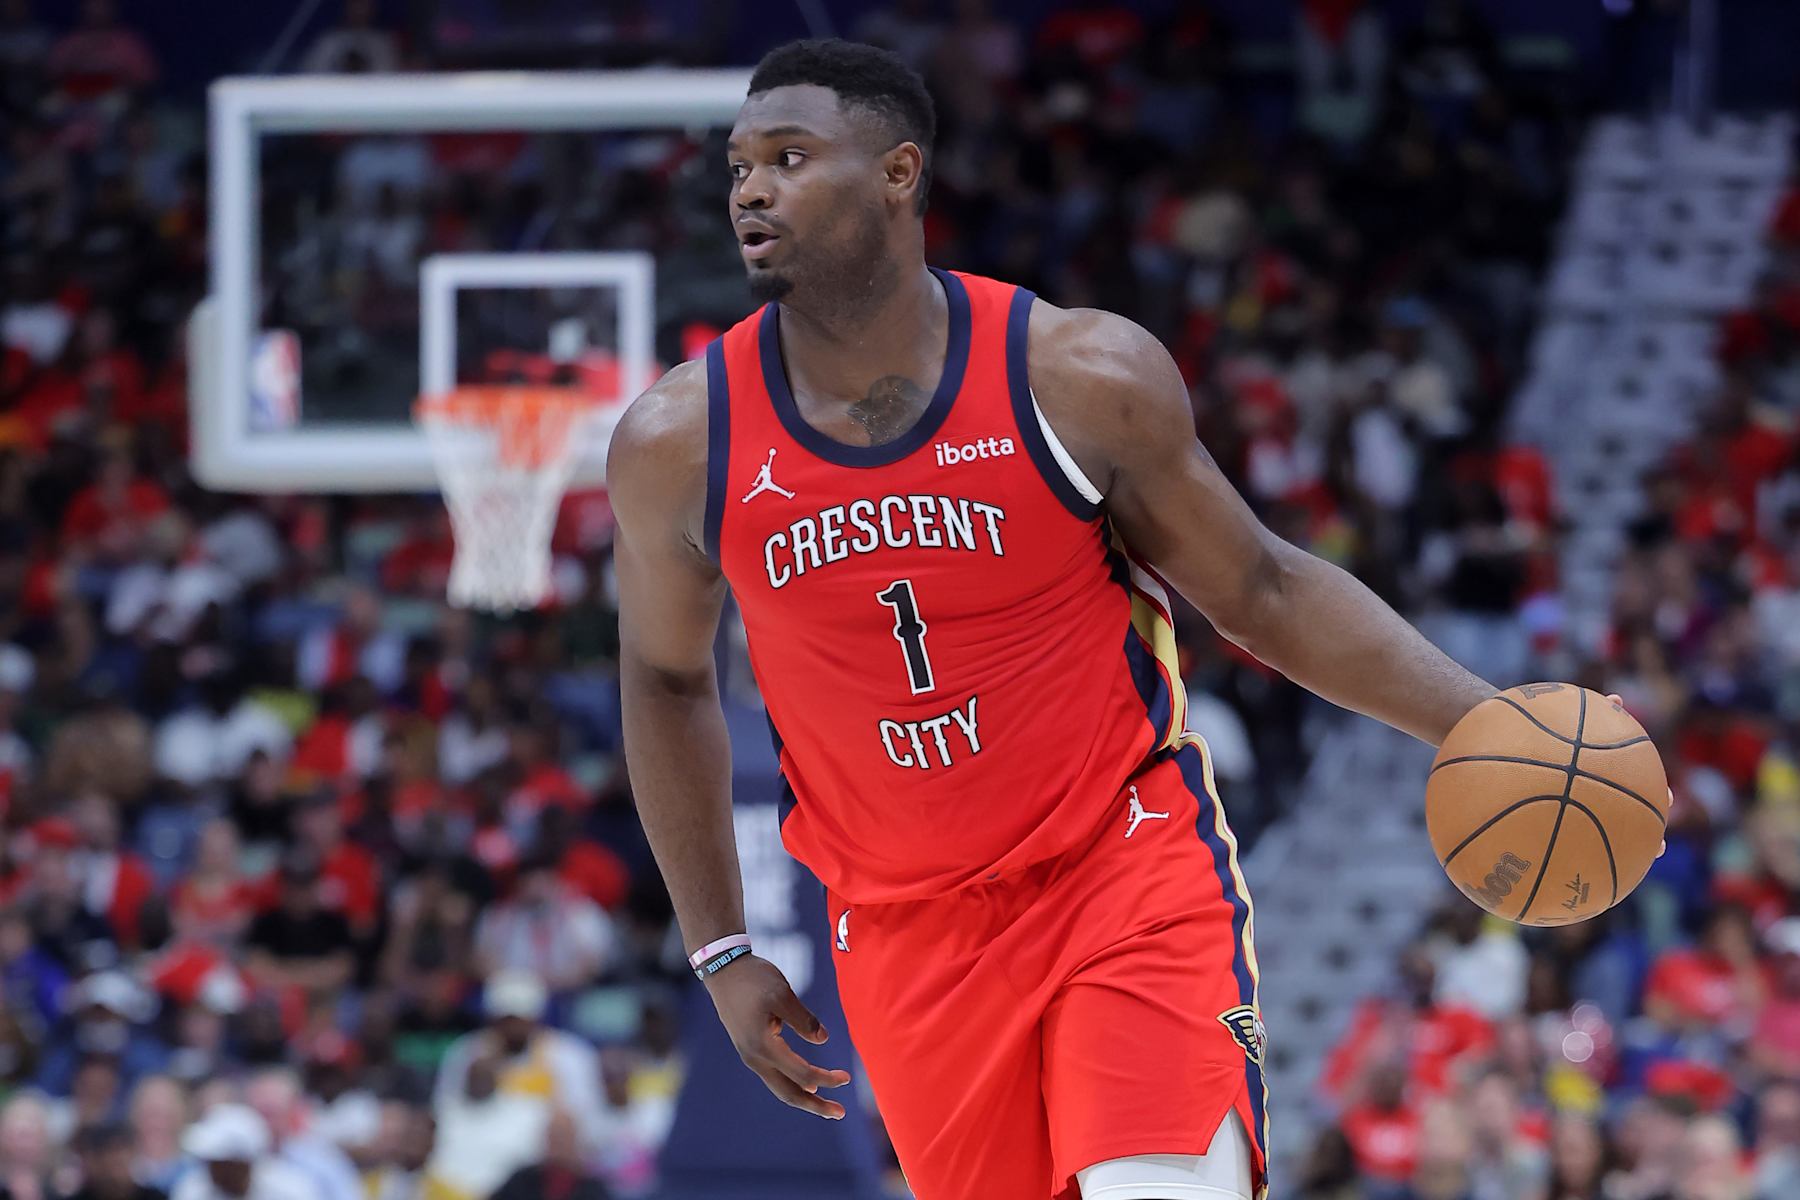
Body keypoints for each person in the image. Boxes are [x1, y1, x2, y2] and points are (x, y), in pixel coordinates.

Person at [611, 37, 1510, 1200]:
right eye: (739, 164)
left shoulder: (1079, 377)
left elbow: (1265, 591)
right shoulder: (680, 442)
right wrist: (722, 946)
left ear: (898, 173)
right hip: (903, 934)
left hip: (1118, 869)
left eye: (789, 157)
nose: (750, 189)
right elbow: (667, 681)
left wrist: (1480, 720)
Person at [169, 1105, 317, 1200]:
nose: (211, 1169)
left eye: (220, 1163)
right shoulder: (193, 1190)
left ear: (242, 1164)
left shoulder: (291, 1190)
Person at [62, 1122, 166, 1200]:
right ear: (95, 1160)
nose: (118, 1159)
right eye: (110, 1152)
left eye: (122, 1149)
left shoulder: (155, 1197)